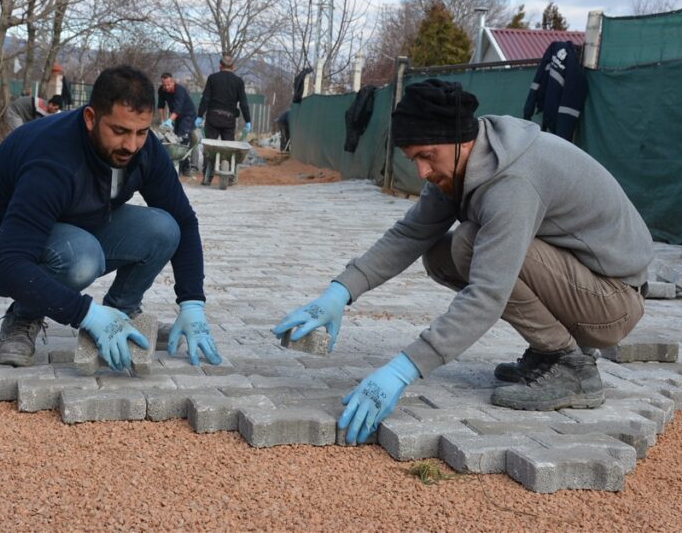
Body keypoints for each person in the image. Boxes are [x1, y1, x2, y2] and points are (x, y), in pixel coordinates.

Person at [273, 79, 653, 444]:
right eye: (413, 159)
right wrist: (339, 292)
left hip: (612, 302)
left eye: (427, 156)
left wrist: (403, 370)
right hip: (583, 284)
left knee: (472, 246)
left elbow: (487, 293)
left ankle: (571, 367)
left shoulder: (513, 182)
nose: (422, 172)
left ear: (458, 140)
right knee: (442, 253)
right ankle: (550, 349)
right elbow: (410, 235)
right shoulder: (466, 160)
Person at [0, 65, 222, 371]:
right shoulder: (53, 159)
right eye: (120, 131)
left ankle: (120, 316)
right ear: (90, 118)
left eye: (141, 131)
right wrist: (85, 313)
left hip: (71, 226)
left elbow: (185, 220)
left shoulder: (144, 148)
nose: (131, 145)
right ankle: (24, 315)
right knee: (82, 256)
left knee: (164, 227)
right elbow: (9, 262)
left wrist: (192, 302)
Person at [195, 53, 251, 186]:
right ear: (233, 66)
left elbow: (206, 99)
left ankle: (207, 177)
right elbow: (243, 103)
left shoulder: (213, 78)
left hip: (213, 118)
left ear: (220, 65)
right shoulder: (238, 82)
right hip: (229, 120)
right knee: (228, 148)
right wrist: (248, 121)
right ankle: (230, 176)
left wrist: (199, 115)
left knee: (210, 148)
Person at [157, 72, 198, 176]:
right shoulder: (162, 90)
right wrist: (163, 121)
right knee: (174, 140)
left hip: (188, 115)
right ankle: (179, 166)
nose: (166, 87)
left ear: (173, 82)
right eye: (164, 85)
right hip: (177, 117)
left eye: (168, 84)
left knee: (182, 139)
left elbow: (178, 109)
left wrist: (169, 121)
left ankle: (186, 168)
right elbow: (161, 106)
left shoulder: (179, 90)